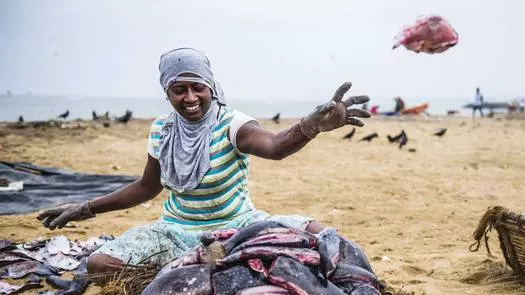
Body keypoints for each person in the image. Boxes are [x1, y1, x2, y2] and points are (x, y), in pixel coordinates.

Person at [37, 47, 370, 274]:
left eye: (198, 87)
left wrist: (310, 126)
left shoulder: (233, 124)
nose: (190, 98)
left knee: (322, 234)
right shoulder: (161, 130)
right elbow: (146, 187)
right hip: (175, 233)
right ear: (167, 92)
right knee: (99, 264)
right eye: (179, 89)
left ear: (211, 86)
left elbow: (275, 146)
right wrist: (86, 207)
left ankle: (198, 269)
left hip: (240, 229)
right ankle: (188, 270)